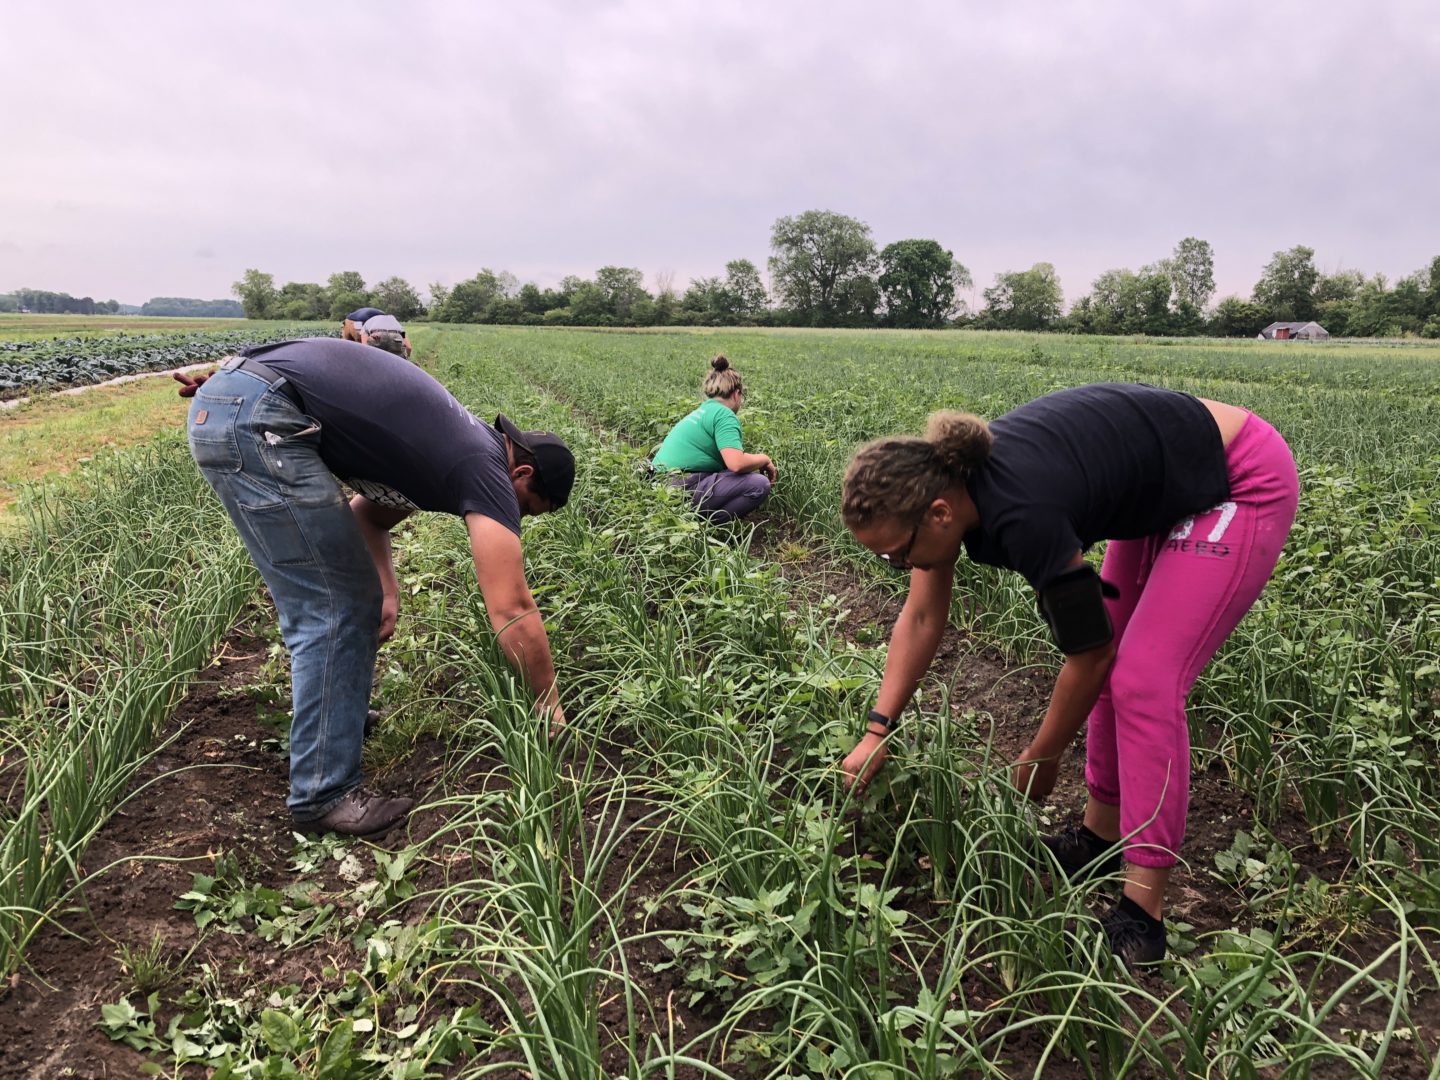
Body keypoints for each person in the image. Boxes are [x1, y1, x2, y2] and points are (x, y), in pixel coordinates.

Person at [837, 382, 1298, 967]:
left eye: (897, 553)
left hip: (1237, 477)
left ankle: (1144, 913)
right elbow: (924, 615)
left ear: (939, 513)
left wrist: (1042, 755)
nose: (898, 565)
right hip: (1162, 485)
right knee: (1117, 662)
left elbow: (1091, 655)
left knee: (1142, 680)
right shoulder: (949, 493)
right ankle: (1100, 836)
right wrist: (878, 728)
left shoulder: (1024, 513)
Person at [184, 337, 576, 838]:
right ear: (520, 472)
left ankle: (336, 721)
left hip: (246, 399)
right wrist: (548, 704)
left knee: (353, 599)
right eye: (526, 508)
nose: (513, 516)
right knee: (333, 606)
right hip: (262, 416)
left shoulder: (444, 453)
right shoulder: (483, 467)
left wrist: (387, 589)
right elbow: (511, 608)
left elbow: (370, 515)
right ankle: (323, 795)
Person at [651, 355, 775, 523]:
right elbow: (736, 464)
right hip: (679, 488)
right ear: (737, 394)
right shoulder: (725, 415)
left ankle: (690, 521)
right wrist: (764, 458)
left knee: (734, 473)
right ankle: (708, 527)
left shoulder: (701, 412)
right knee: (759, 484)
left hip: (659, 487)